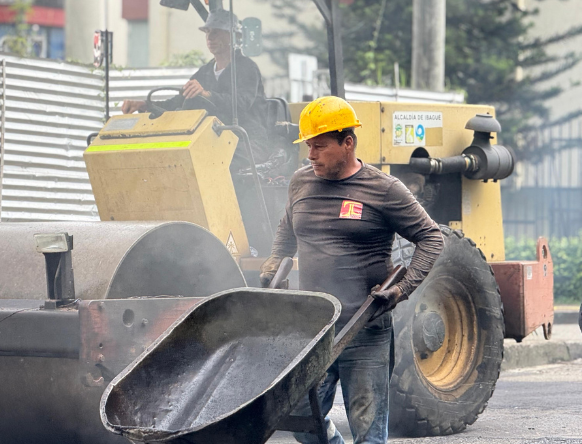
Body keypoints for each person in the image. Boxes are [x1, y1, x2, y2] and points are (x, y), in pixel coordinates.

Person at [259, 96, 445, 444]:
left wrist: (402, 289)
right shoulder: (301, 183)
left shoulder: (383, 189)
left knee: (368, 431)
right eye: (308, 146)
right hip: (314, 329)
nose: (311, 155)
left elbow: (432, 237)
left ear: (348, 143)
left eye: (320, 146)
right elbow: (287, 228)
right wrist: (276, 258)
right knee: (300, 420)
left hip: (364, 326)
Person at [120, 9, 269, 167]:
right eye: (207, 32)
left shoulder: (247, 68)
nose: (210, 37)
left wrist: (206, 94)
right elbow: (178, 102)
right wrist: (145, 105)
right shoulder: (204, 72)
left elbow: (242, 104)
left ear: (233, 36)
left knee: (210, 161)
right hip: (216, 137)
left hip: (247, 140)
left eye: (216, 32)